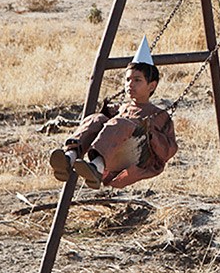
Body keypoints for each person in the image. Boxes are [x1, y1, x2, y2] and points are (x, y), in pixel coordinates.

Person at [49, 36, 178, 190]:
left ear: (151, 86)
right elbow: (103, 126)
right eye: (128, 80)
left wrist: (150, 133)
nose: (130, 84)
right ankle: (69, 158)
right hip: (116, 152)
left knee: (120, 123)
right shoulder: (120, 108)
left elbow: (168, 151)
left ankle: (97, 167)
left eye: (137, 80)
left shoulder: (159, 115)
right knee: (96, 118)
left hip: (140, 156)